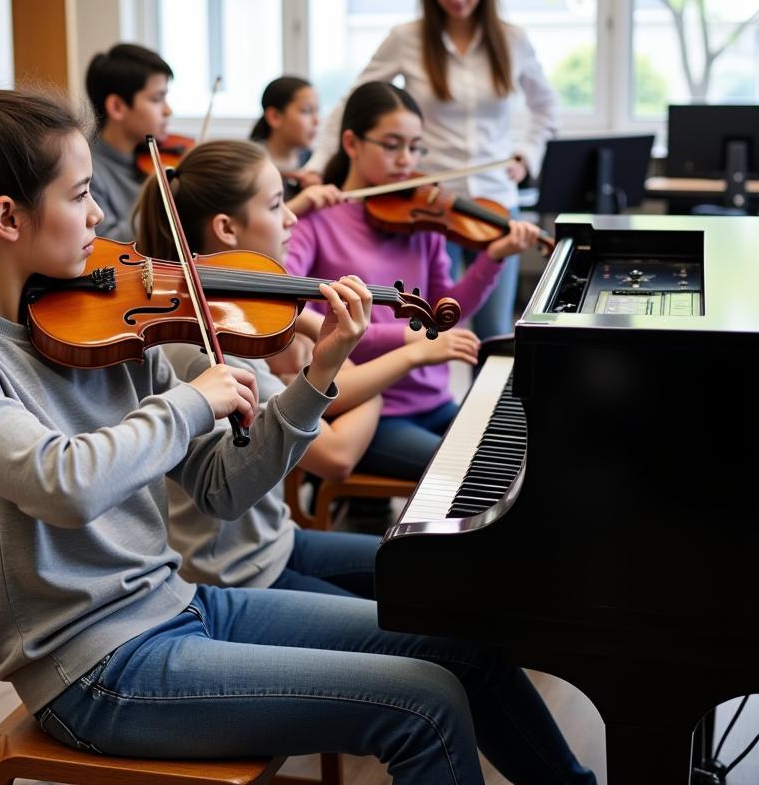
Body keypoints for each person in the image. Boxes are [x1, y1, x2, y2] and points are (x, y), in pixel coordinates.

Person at [0, 86, 496, 785]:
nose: (99, 216)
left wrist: (319, 373)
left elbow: (224, 490)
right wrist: (188, 402)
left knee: (459, 647)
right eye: (81, 195)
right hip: (95, 666)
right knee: (424, 703)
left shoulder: (104, 314)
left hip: (179, 604)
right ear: (7, 217)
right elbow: (61, 484)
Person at [135, 140, 595, 785]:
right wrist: (375, 367)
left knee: (456, 606)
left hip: (277, 544)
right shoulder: (200, 347)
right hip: (238, 575)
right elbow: (336, 449)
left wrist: (346, 370)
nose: (294, 217)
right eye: (276, 203)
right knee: (447, 650)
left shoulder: (248, 313)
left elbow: (333, 396)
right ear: (225, 230)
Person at [308, 0, 559, 339]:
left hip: (492, 201)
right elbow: (354, 101)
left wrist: (527, 154)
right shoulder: (406, 37)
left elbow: (546, 106)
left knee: (495, 328)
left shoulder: (512, 39)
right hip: (425, 200)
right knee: (434, 320)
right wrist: (319, 164)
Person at [286, 81, 540, 480]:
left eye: (416, 146)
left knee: (523, 457)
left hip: (434, 399)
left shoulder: (420, 217)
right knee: (480, 475)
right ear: (351, 143)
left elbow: (444, 314)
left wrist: (492, 259)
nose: (407, 160)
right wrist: (406, 339)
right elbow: (302, 317)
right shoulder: (316, 221)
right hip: (369, 409)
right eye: (392, 145)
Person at [84, 42, 174, 241]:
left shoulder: (152, 156)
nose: (168, 110)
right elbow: (107, 241)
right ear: (117, 106)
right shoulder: (87, 172)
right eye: (157, 99)